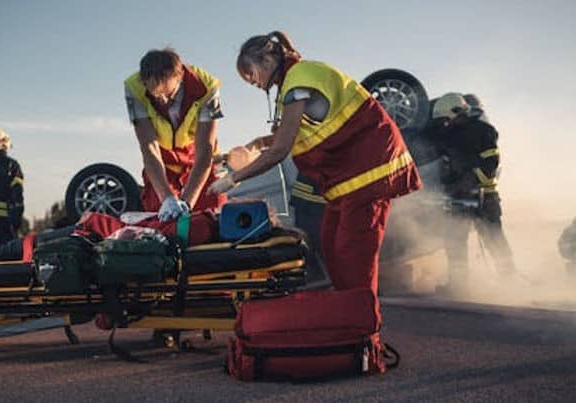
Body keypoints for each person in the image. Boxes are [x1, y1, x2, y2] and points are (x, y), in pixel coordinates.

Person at [209, 31, 422, 294]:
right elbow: (291, 134)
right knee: (330, 243)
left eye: (250, 74)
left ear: (266, 60)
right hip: (347, 179)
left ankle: (363, 329)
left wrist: (232, 180)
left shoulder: (299, 81)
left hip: (368, 171)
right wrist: (255, 144)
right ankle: (346, 315)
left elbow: (280, 150)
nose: (252, 82)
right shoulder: (295, 81)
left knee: (352, 252)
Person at [125, 48, 227, 222]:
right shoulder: (133, 88)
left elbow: (205, 151)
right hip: (162, 157)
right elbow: (149, 147)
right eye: (156, 96)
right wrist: (167, 198)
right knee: (158, 213)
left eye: (169, 95)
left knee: (213, 211)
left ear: (180, 77)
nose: (163, 102)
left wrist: (186, 202)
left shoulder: (207, 87)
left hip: (198, 154)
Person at [0, 210, 219, 268]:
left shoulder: (202, 228)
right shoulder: (205, 222)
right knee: (18, 246)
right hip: (90, 233)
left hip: (89, 238)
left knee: (17, 248)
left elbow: (146, 238)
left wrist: (97, 219)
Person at [429, 92, 517, 290]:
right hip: (457, 197)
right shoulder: (449, 136)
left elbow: (491, 163)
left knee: (493, 239)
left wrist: (473, 180)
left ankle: (509, 282)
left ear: (457, 112)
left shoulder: (483, 131)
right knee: (454, 241)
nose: (444, 124)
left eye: (446, 119)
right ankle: (458, 285)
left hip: (484, 197)